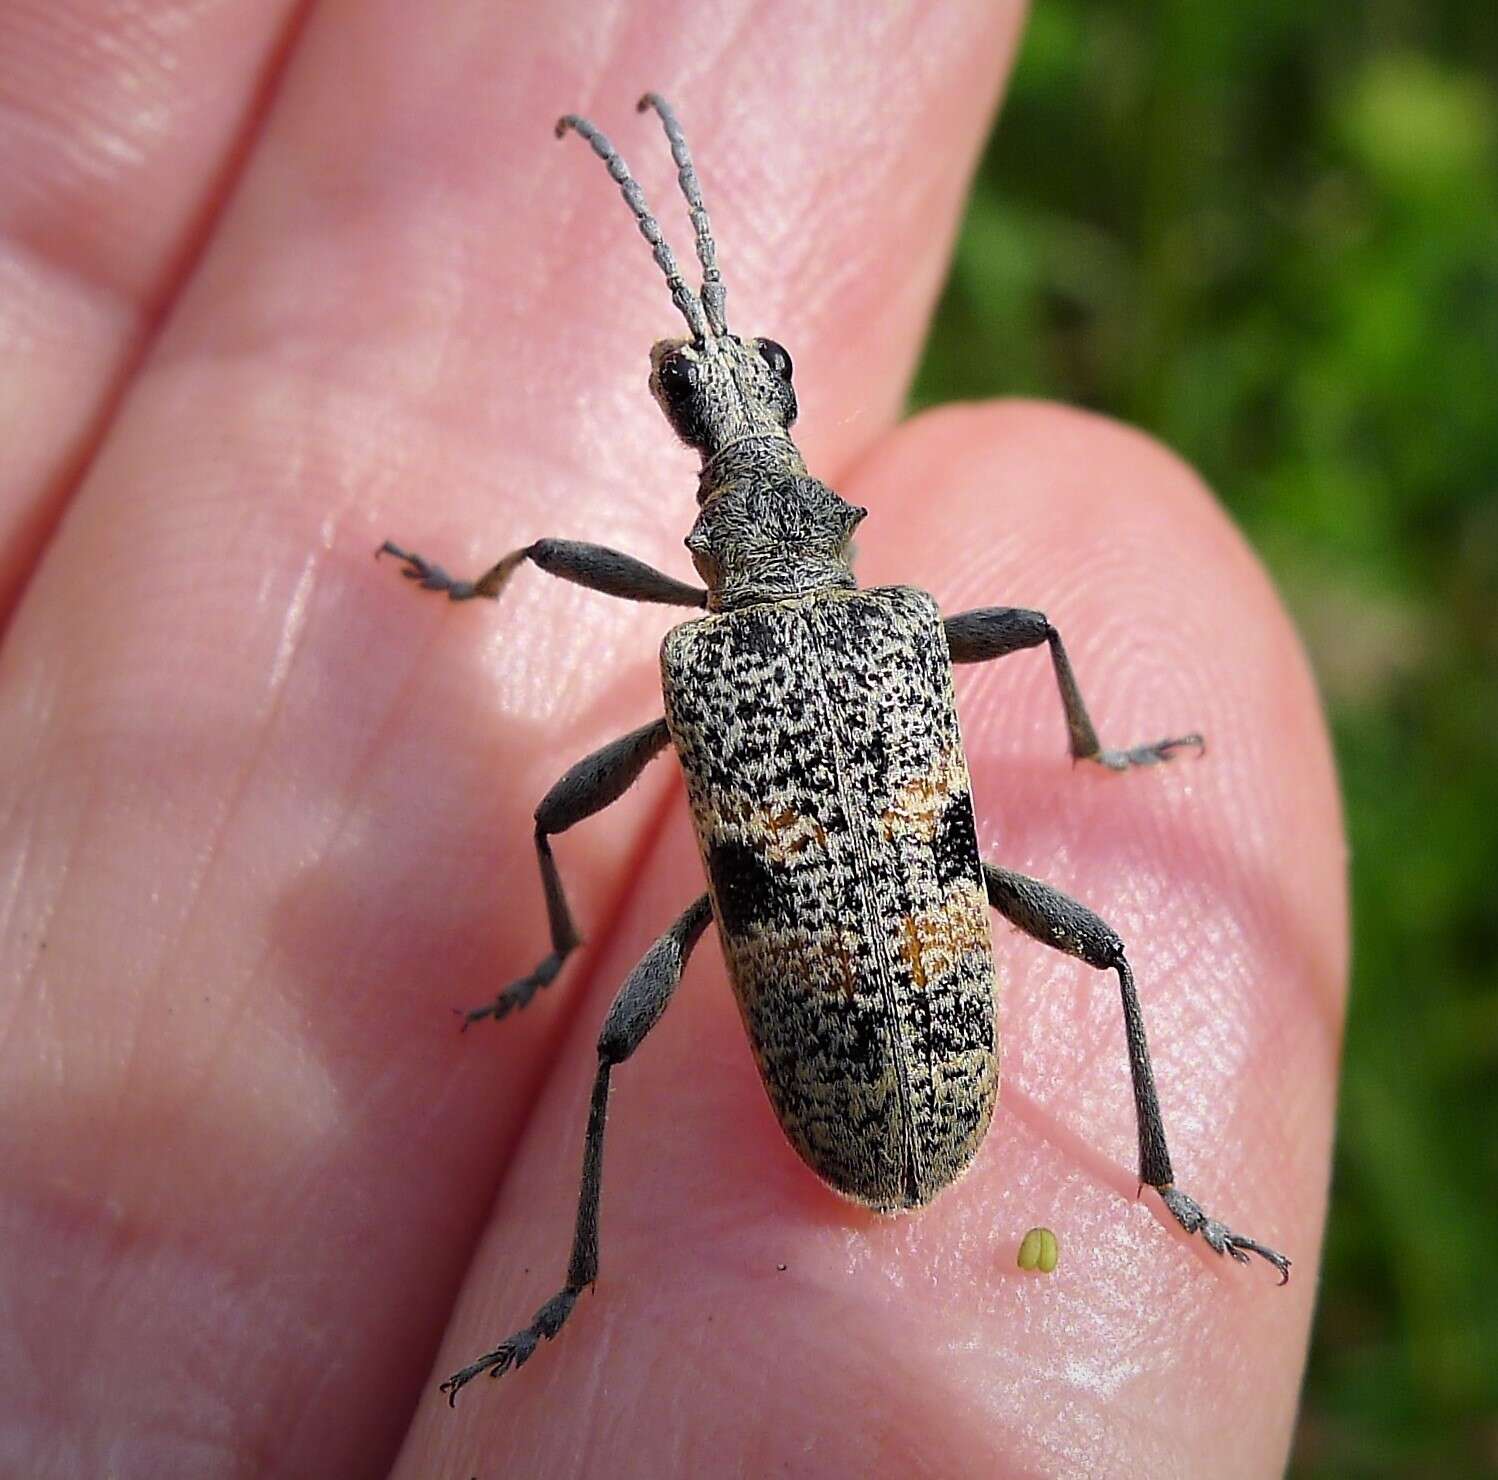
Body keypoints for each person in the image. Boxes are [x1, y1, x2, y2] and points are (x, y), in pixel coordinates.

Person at [0, 4, 1346, 1474]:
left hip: (856, 1064)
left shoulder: (705, 668)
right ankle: (1157, 1174)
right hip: (887, 1057)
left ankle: (579, 1207)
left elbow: (552, 816)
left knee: (600, 996)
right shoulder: (897, 632)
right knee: (1106, 929)